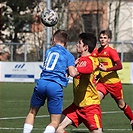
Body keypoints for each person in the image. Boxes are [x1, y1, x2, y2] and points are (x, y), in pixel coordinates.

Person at [23, 29, 79, 133]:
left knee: (32, 113)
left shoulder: (49, 51)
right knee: (55, 122)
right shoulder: (68, 55)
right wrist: (78, 68)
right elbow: (72, 73)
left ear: (54, 39)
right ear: (66, 42)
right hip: (55, 86)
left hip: (42, 83)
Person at [56, 33, 103, 133]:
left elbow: (87, 69)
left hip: (90, 106)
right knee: (56, 126)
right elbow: (68, 74)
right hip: (77, 106)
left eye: (79, 43)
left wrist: (74, 69)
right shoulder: (79, 60)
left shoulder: (90, 61)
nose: (77, 45)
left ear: (85, 47)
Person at [92, 30, 133, 131]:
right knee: (94, 101)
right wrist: (97, 75)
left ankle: (132, 119)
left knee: (121, 105)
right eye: (101, 37)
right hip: (102, 83)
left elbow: (119, 66)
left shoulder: (111, 51)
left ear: (109, 40)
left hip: (113, 83)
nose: (102, 40)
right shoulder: (97, 51)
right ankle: (98, 128)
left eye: (105, 38)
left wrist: (106, 69)